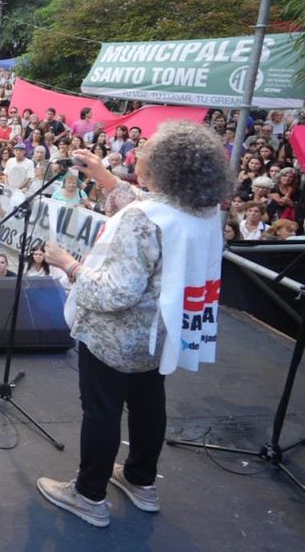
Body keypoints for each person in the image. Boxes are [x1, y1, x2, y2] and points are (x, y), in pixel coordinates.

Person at [37, 123, 232, 528]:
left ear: (164, 165)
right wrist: (107, 180)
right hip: (160, 335)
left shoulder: (143, 219)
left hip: (115, 337)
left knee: (102, 412)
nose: (138, 154)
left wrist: (68, 264)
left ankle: (88, 494)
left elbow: (113, 294)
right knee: (147, 404)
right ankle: (141, 480)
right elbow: (157, 208)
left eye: (146, 149)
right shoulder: (203, 209)